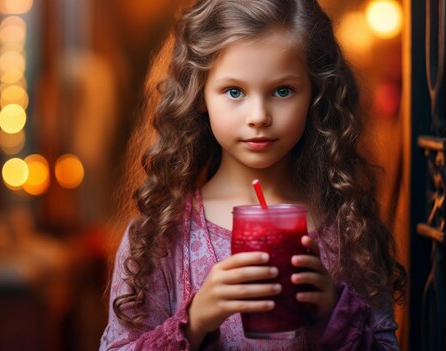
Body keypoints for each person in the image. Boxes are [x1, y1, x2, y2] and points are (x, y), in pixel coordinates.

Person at [100, 0, 407, 350]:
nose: (258, 115)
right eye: (234, 92)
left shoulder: (347, 227)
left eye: (282, 91)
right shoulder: (162, 234)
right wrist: (195, 321)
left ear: (315, 94)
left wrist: (332, 314)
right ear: (199, 93)